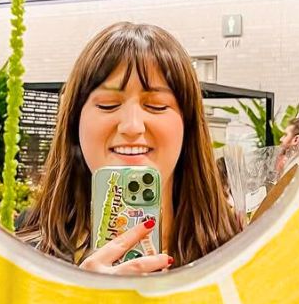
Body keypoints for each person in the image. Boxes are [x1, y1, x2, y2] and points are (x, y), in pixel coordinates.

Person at [16, 22, 242, 274]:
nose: (132, 126)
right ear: (74, 122)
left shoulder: (235, 253)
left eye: (156, 105)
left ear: (187, 126)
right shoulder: (26, 256)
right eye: (108, 105)